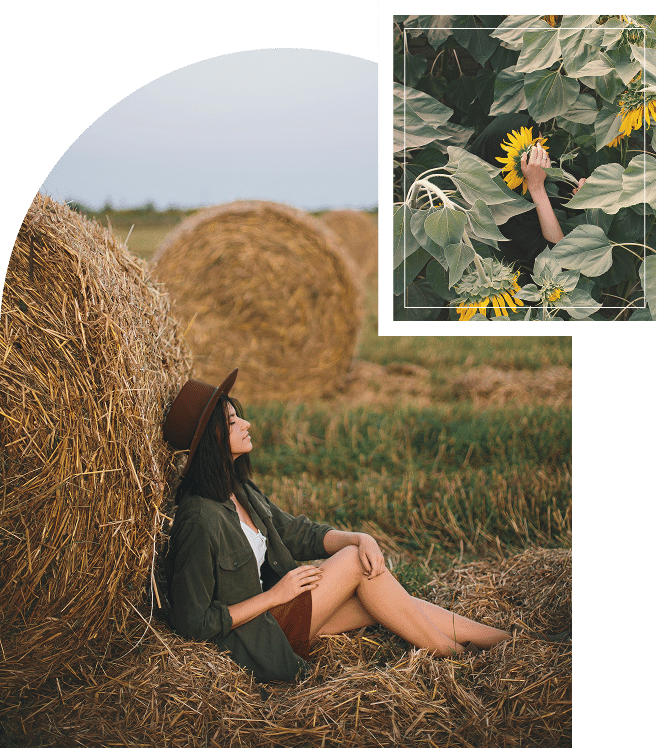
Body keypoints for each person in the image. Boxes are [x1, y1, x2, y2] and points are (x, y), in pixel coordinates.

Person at [162, 369, 511, 682]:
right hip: (255, 640)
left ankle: (503, 641)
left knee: (388, 602)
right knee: (355, 563)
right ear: (211, 438)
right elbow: (193, 623)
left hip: (277, 618)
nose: (246, 424)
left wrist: (360, 536)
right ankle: (459, 660)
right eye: (233, 421)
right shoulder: (199, 518)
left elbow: (297, 533)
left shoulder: (238, 490)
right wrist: (274, 596)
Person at [468, 113, 585, 275]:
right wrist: (536, 187)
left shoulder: (543, 162)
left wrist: (583, 194)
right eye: (535, 151)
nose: (543, 156)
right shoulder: (503, 216)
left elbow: (577, 185)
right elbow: (561, 266)